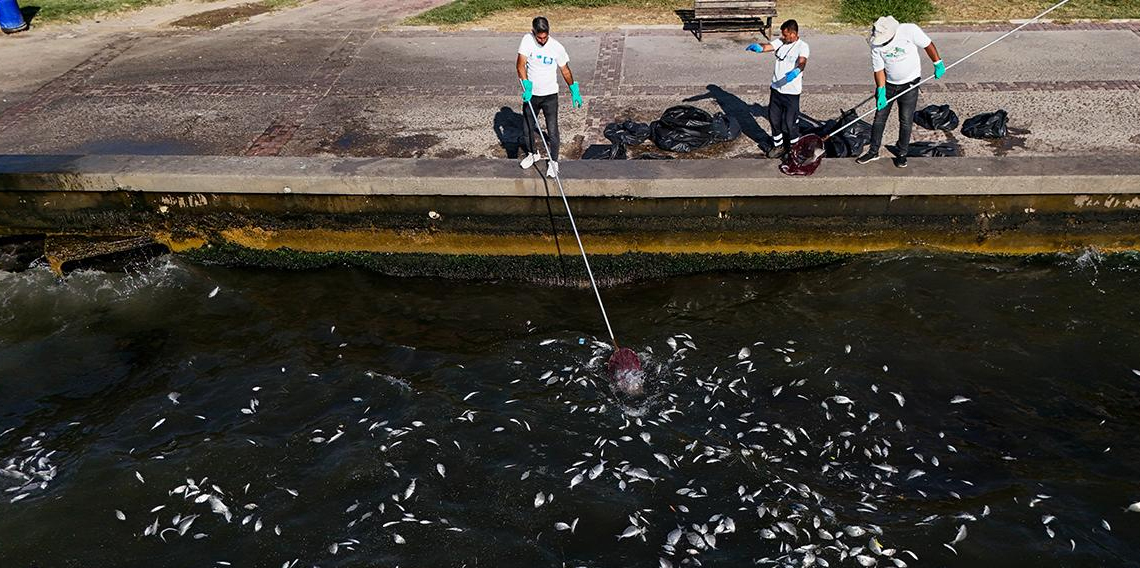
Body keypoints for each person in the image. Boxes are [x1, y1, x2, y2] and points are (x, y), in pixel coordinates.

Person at [856, 16, 946, 168]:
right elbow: (878, 70)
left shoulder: (909, 30)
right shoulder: (876, 45)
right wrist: (881, 90)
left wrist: (937, 63)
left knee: (905, 120)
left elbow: (928, 44)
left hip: (910, 83)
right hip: (889, 85)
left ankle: (902, 153)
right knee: (879, 118)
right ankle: (873, 151)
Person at [516, 16, 583, 178]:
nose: (542, 40)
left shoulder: (556, 47)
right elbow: (520, 64)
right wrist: (527, 84)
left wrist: (574, 89)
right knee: (527, 129)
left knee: (552, 131)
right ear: (534, 32)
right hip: (532, 95)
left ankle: (554, 162)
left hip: (550, 96)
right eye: (539, 37)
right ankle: (533, 154)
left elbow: (565, 70)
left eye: (545, 37)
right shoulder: (527, 40)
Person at [746, 20, 810, 159]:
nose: (783, 36)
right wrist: (759, 47)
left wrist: (796, 72)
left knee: (790, 123)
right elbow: (768, 47)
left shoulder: (802, 46)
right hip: (776, 89)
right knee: (774, 120)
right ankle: (778, 146)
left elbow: (802, 62)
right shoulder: (781, 41)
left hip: (791, 93)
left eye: (785, 34)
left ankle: (794, 149)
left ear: (793, 34)